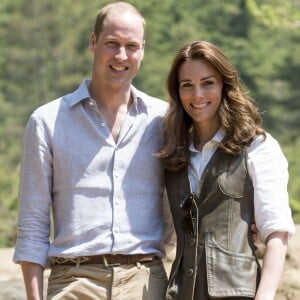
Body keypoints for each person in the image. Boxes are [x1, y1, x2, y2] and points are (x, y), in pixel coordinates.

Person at [13, 2, 175, 299]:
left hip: (146, 282)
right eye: (112, 44)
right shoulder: (47, 121)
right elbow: (32, 224)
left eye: (131, 46)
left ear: (143, 49)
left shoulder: (164, 120)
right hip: (74, 281)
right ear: (93, 42)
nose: (121, 56)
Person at [157, 40, 295, 300]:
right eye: (187, 85)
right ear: (177, 93)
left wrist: (264, 297)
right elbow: (164, 232)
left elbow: (276, 231)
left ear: (224, 86)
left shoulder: (257, 146)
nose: (197, 95)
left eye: (208, 82)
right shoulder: (174, 156)